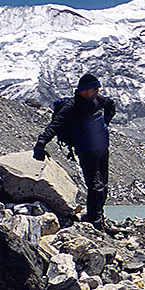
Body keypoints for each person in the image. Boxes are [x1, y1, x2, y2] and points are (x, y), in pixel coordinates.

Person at [33, 74, 116, 230]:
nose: (98, 91)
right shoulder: (71, 107)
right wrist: (41, 144)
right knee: (96, 186)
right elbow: (54, 126)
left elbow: (110, 105)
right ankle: (96, 222)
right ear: (85, 90)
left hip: (102, 149)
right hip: (86, 151)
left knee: (104, 186)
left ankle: (96, 216)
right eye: (94, 88)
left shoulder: (97, 100)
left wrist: (105, 123)